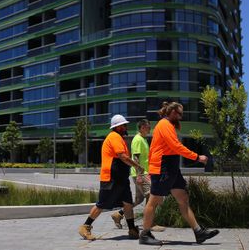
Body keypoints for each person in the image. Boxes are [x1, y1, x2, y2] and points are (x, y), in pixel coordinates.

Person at [139, 102, 219, 245]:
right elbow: (176, 147)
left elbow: (173, 148)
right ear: (173, 112)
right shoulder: (164, 125)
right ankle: (145, 235)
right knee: (154, 200)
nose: (181, 118)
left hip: (171, 167)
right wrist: (197, 157)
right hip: (162, 167)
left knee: (183, 198)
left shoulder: (168, 125)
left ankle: (198, 232)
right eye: (180, 114)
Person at [78, 114, 144, 240]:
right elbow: (122, 156)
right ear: (118, 127)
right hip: (111, 177)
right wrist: (137, 166)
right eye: (124, 125)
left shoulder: (119, 138)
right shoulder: (114, 137)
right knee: (102, 204)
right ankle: (85, 226)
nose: (126, 127)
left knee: (128, 203)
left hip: (121, 178)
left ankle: (132, 229)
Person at [110, 119, 165, 232]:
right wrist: (140, 175)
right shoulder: (138, 139)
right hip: (141, 173)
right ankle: (149, 223)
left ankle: (118, 214)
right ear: (142, 127)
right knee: (151, 196)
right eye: (148, 127)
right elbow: (135, 157)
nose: (150, 129)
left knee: (139, 199)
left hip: (143, 173)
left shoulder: (143, 139)